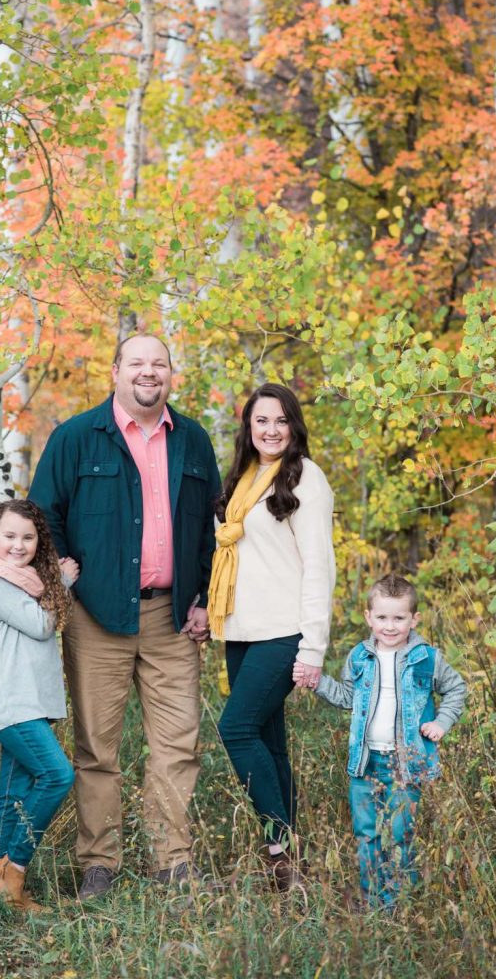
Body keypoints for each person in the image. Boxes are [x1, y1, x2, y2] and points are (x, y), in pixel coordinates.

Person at [28, 334, 221, 899]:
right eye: (137, 362)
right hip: (96, 618)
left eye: (159, 363)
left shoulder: (193, 440)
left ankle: (173, 861)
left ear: (171, 374)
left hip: (173, 618)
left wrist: (206, 598)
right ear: (115, 371)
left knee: (178, 744)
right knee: (97, 748)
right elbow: (43, 516)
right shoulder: (75, 437)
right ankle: (99, 864)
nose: (148, 372)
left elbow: (214, 529)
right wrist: (64, 577)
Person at [208, 382, 336, 893]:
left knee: (235, 729)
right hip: (243, 629)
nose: (271, 430)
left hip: (285, 630)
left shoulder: (305, 476)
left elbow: (319, 568)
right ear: (249, 426)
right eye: (262, 420)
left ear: (294, 426)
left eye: (281, 420)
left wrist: (313, 648)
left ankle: (277, 851)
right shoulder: (244, 476)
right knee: (268, 742)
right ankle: (290, 867)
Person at [299, 573, 467, 910]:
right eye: (382, 617)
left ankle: (398, 904)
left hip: (406, 763)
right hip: (365, 762)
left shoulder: (426, 658)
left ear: (414, 619)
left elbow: (456, 688)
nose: (390, 626)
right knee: (367, 833)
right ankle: (373, 901)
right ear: (368, 617)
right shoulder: (359, 657)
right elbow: (346, 696)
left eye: (399, 618)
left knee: (399, 834)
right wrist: (316, 682)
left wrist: (441, 722)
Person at [0, 499, 79, 912]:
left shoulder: (22, 580)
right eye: (9, 535)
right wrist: (63, 581)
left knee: (12, 793)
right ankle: (16, 868)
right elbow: (41, 624)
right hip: (10, 703)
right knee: (57, 775)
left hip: (24, 702)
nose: (18, 545)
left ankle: (2, 889)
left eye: (28, 537)